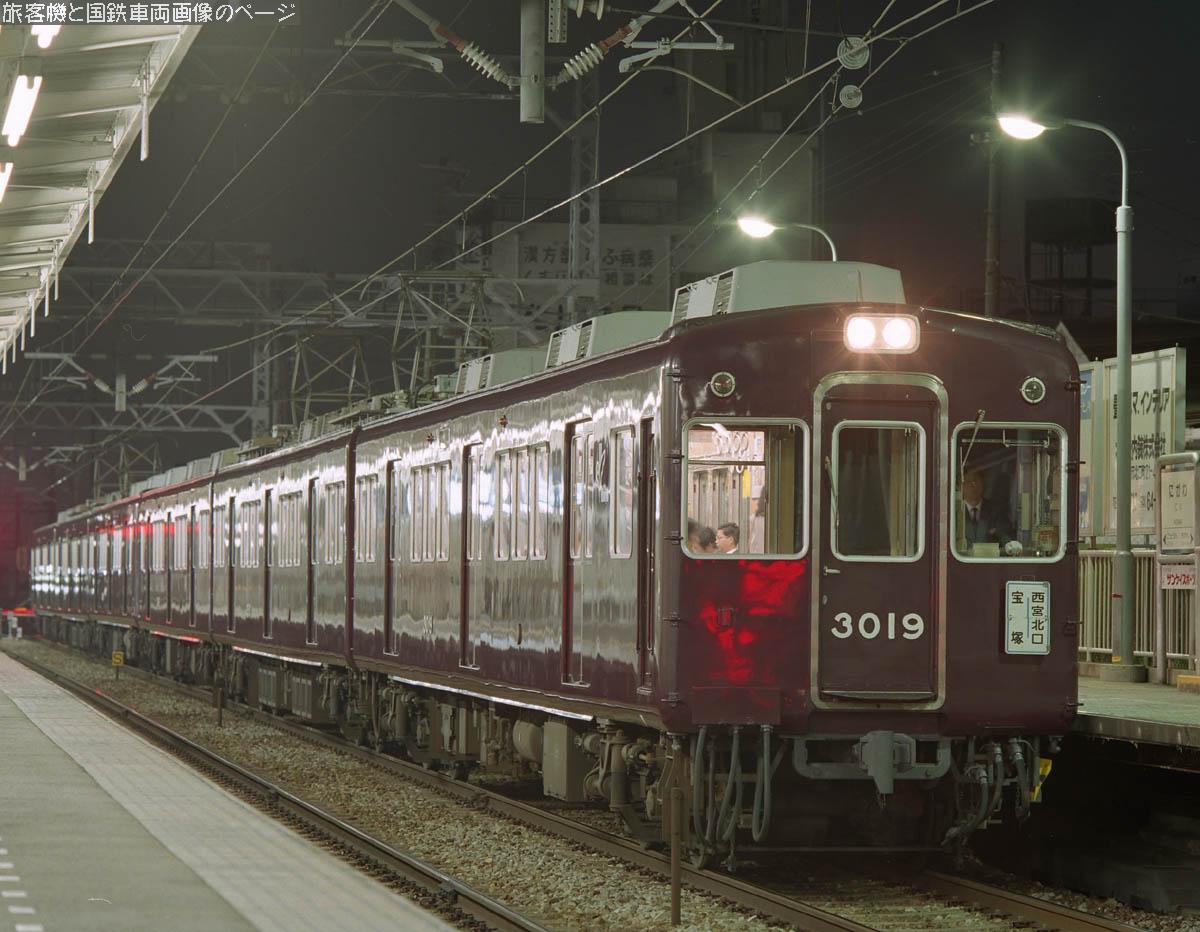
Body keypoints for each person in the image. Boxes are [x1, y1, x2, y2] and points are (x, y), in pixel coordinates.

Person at [961, 469, 1015, 546]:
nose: (973, 485)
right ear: (959, 486)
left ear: (983, 483)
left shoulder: (997, 511)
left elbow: (1008, 541)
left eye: (976, 480)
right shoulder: (953, 512)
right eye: (968, 481)